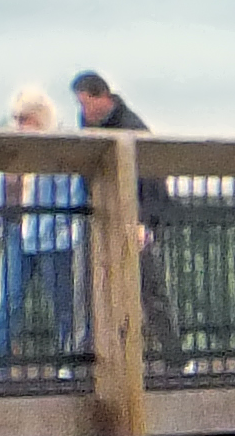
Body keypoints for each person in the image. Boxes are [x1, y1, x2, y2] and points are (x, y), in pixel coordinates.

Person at [0, 86, 84, 366]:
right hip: (17, 230)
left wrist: (64, 225)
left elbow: (69, 194)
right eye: (16, 118)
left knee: (62, 302)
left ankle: (68, 361)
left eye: (25, 118)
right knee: (10, 300)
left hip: (52, 234)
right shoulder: (11, 151)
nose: (18, 125)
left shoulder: (58, 148)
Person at [69, 69, 164, 356]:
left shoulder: (132, 126)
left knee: (149, 288)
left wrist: (144, 222)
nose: (83, 110)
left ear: (103, 97)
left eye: (86, 103)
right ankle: (86, 353)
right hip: (101, 215)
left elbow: (152, 180)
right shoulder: (88, 123)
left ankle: (173, 355)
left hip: (135, 217)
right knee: (90, 287)